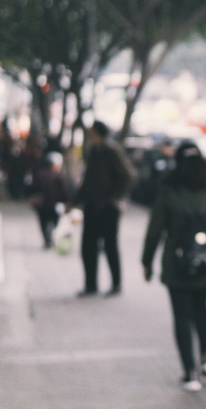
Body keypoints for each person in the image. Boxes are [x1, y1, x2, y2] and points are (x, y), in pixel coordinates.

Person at [141, 141, 206, 392]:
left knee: (182, 316)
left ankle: (190, 373)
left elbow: (155, 229)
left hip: (176, 264)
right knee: (201, 309)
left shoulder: (169, 187)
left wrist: (146, 261)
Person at [73, 120, 135, 298]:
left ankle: (116, 283)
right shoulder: (94, 150)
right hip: (92, 206)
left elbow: (128, 176)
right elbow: (88, 180)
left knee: (110, 246)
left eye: (91, 131)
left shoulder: (111, 150)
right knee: (88, 248)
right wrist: (76, 201)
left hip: (108, 207)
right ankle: (91, 285)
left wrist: (115, 198)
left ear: (97, 132)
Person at [27, 151, 70, 249]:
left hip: (42, 205)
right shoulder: (59, 176)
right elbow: (64, 192)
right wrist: (67, 202)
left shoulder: (40, 175)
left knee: (44, 223)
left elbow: (32, 188)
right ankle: (51, 238)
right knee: (55, 222)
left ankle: (47, 239)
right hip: (54, 205)